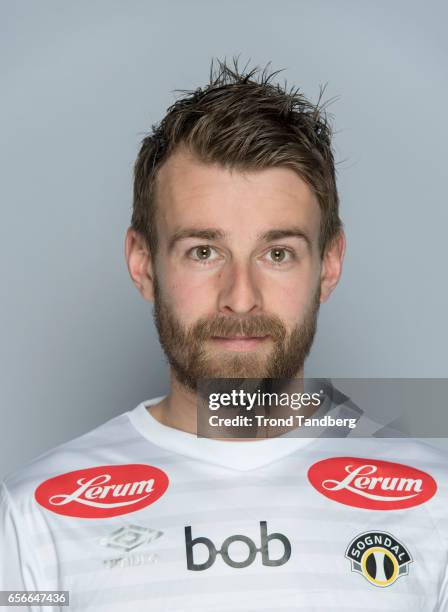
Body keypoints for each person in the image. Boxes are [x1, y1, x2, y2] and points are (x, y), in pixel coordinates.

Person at [1, 59, 447, 611]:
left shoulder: (438, 506)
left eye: (277, 253)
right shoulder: (33, 517)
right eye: (203, 252)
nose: (240, 296)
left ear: (329, 266)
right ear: (143, 265)